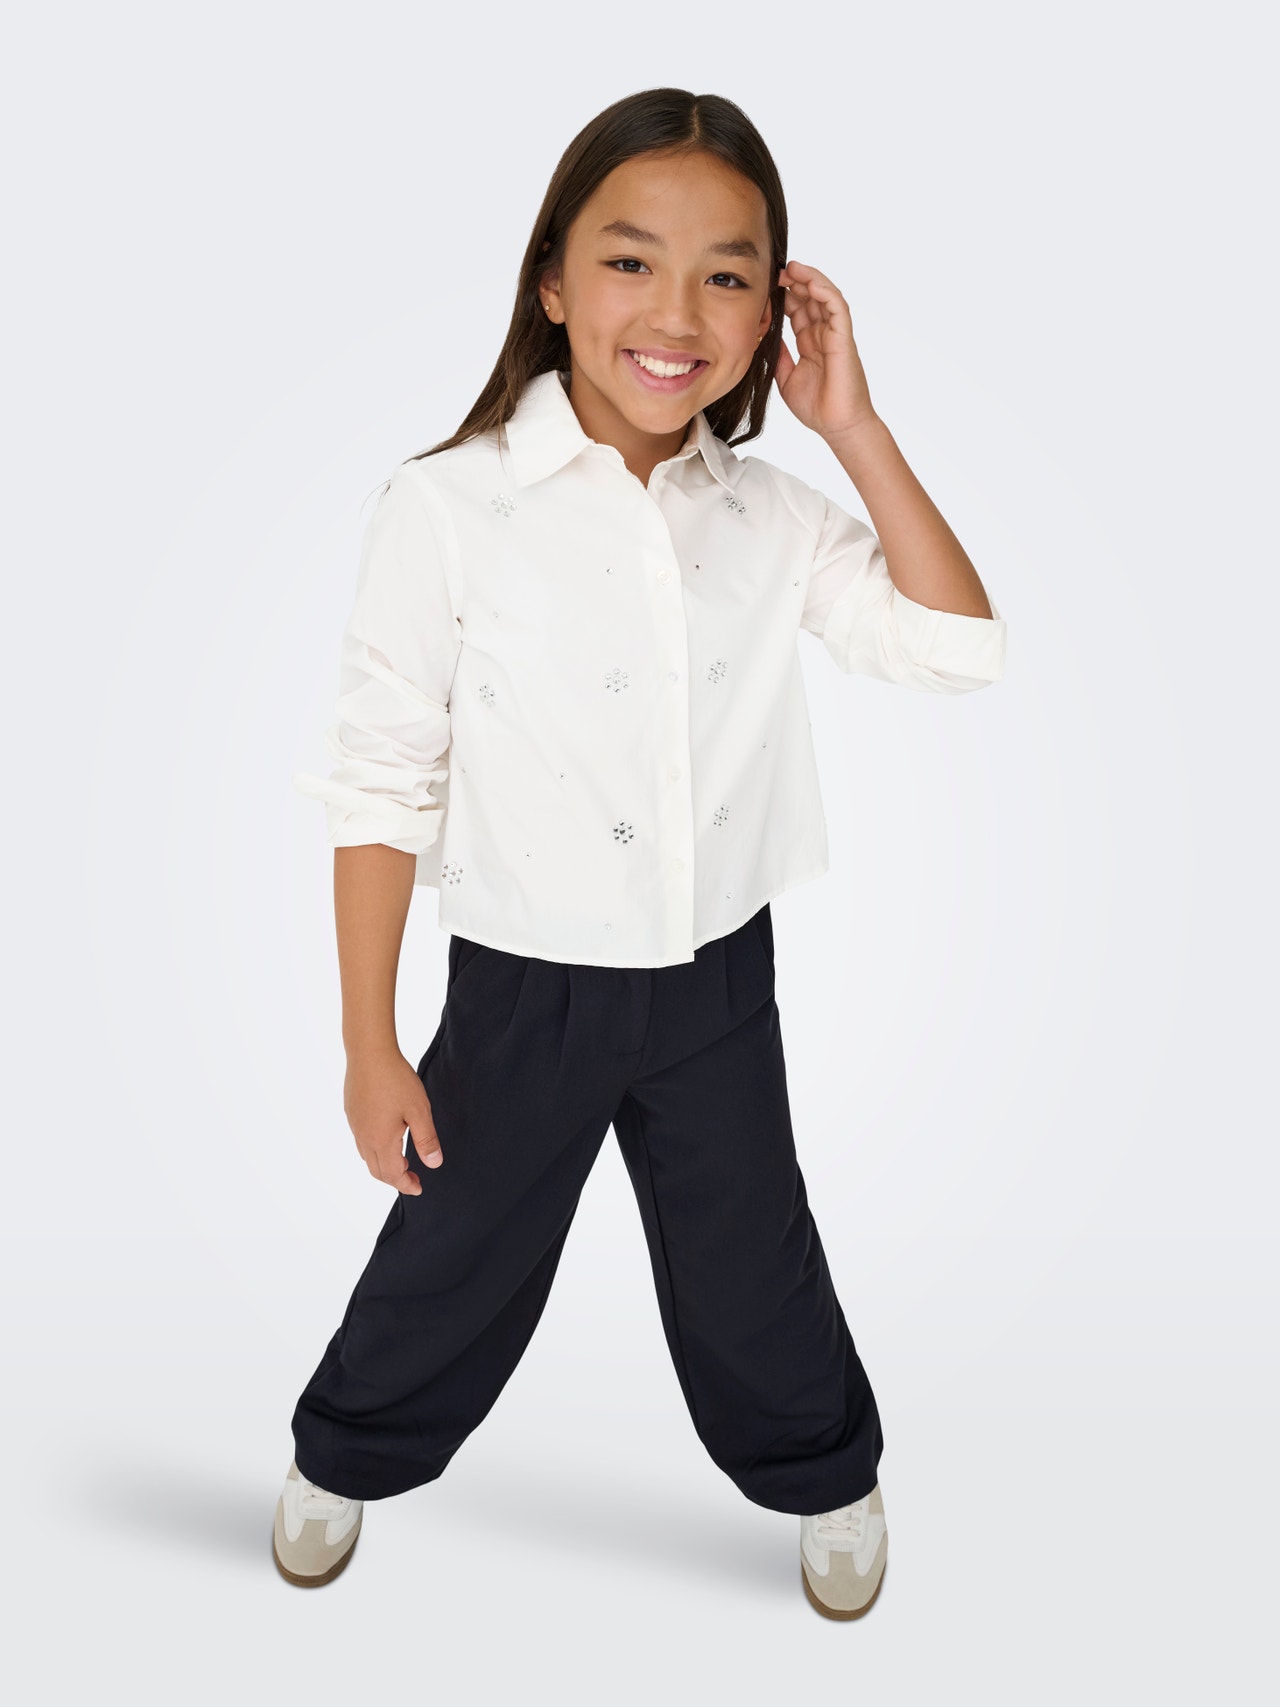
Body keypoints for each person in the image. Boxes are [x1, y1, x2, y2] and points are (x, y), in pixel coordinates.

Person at [274, 87, 1006, 1618]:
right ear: (551, 281)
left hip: (714, 983)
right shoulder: (448, 507)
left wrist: (855, 430)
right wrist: (368, 1043)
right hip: (523, 988)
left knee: (753, 1261)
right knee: (453, 1254)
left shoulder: (771, 517)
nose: (676, 315)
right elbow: (382, 782)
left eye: (727, 276)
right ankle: (344, 1455)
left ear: (772, 312)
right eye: (629, 262)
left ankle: (825, 1475)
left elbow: (955, 649)